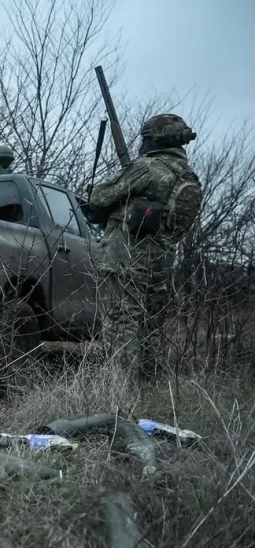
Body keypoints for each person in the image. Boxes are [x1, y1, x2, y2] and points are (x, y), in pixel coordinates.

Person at [87, 113, 202, 383]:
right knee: (150, 324)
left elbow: (99, 198)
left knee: (122, 319)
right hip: (161, 260)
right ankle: (147, 384)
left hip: (127, 256)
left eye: (145, 139)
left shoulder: (148, 167)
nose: (141, 145)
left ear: (154, 141)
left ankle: (120, 387)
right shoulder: (188, 176)